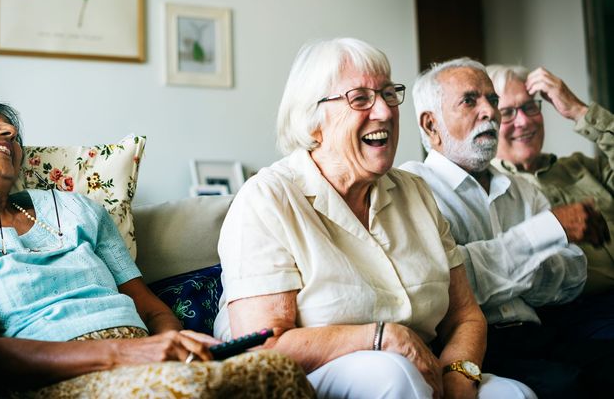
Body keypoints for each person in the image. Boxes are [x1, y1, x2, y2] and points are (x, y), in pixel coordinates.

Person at [213, 38, 534, 399]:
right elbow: (262, 347)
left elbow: (465, 316)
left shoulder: (415, 192)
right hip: (316, 379)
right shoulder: (268, 198)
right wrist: (381, 337)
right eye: (361, 99)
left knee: (514, 394)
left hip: (423, 370)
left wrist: (459, 373)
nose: (384, 111)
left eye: (388, 94)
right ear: (313, 120)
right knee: (392, 373)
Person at [0, 92, 314, 398]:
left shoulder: (75, 208)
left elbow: (153, 311)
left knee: (277, 369)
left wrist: (173, 347)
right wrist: (125, 354)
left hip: (146, 356)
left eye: (14, 131)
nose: (12, 132)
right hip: (59, 376)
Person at [400, 57, 613, 398]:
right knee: (564, 386)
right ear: (431, 125)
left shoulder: (522, 189)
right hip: (474, 347)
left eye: (492, 99)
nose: (490, 111)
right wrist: (546, 234)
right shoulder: (413, 187)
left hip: (539, 331)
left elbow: (571, 276)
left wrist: (501, 265)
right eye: (470, 101)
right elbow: (450, 285)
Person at [486, 65, 614, 338]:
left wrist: (580, 111)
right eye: (507, 113)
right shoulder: (491, 189)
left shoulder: (580, 167)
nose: (524, 122)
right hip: (576, 317)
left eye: (530, 107)